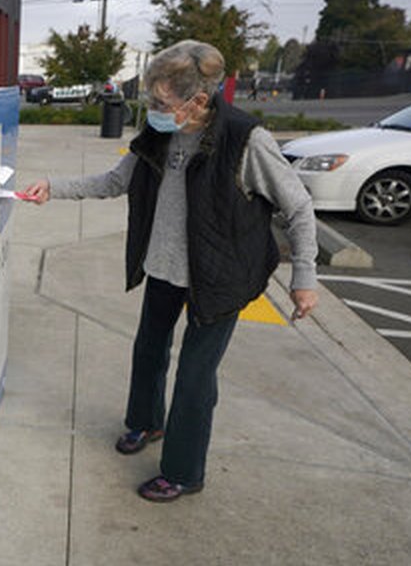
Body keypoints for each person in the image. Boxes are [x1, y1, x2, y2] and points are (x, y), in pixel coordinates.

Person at [20, 40, 319, 502]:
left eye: (161, 102)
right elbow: (114, 182)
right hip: (164, 266)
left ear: (198, 100)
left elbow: (298, 207)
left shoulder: (244, 139)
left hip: (219, 275)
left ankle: (183, 471)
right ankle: (146, 422)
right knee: (148, 350)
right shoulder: (160, 133)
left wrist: (304, 278)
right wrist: (52, 188)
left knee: (195, 378)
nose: (153, 110)